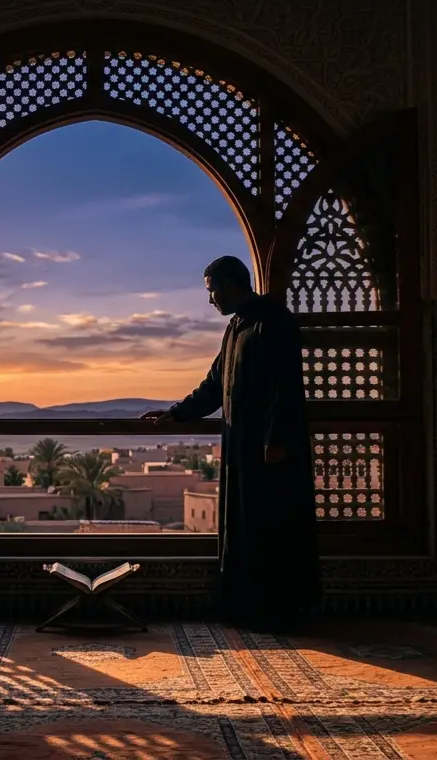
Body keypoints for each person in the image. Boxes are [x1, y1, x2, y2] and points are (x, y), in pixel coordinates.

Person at [141, 256, 318, 632]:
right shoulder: (237, 327)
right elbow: (214, 386)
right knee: (246, 526)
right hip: (242, 448)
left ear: (233, 284)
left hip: (271, 452)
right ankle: (250, 608)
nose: (211, 301)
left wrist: (277, 440)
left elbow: (287, 389)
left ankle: (282, 611)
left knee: (273, 527)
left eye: (213, 291)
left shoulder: (274, 322)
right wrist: (177, 413)